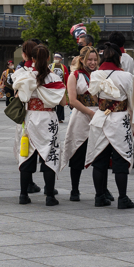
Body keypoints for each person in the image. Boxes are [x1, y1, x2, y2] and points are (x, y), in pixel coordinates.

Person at [86, 42, 134, 209]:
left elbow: (93, 96)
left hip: (100, 118)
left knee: (99, 160)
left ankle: (99, 196)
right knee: (120, 160)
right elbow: (133, 99)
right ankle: (122, 198)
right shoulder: (127, 76)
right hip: (119, 119)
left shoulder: (95, 75)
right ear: (118, 57)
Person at [13, 42, 66, 206]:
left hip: (30, 117)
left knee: (27, 154)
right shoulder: (54, 78)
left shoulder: (25, 76)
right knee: (49, 156)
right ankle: (50, 196)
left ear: (32, 58)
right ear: (49, 58)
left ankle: (23, 195)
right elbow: (63, 102)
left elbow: (18, 96)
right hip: (48, 118)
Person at [62, 46, 106, 203]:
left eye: (95, 59)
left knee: (101, 153)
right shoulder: (74, 76)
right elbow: (72, 101)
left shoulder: (101, 75)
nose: (93, 62)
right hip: (81, 116)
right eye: (89, 59)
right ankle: (74, 189)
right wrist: (89, 112)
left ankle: (102, 190)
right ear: (82, 60)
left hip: (99, 116)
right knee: (77, 152)